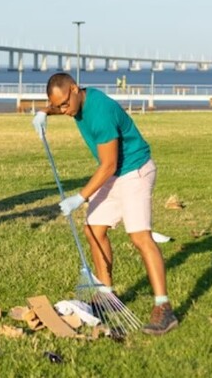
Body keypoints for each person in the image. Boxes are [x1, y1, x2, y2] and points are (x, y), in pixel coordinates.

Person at [32, 73, 178, 335]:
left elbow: (108, 164)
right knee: (93, 228)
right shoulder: (75, 100)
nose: (64, 111)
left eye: (65, 104)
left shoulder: (100, 113)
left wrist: (81, 197)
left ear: (75, 89)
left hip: (134, 171)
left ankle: (163, 308)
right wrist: (44, 112)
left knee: (140, 237)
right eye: (58, 106)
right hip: (114, 174)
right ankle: (105, 295)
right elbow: (58, 103)